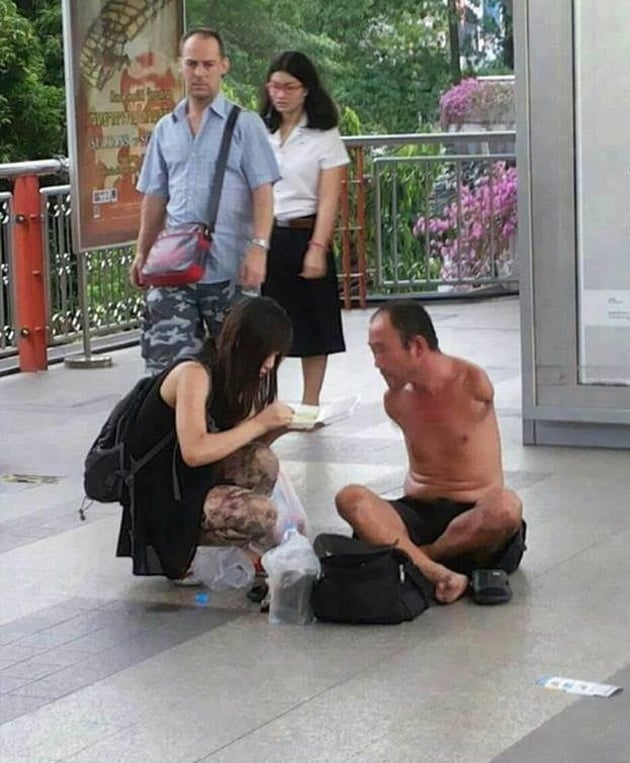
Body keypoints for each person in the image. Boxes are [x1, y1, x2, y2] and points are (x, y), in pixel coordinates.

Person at [335, 301, 526, 605]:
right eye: (373, 352)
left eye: (382, 350)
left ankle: (421, 559)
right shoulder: (395, 400)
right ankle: (439, 572)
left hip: (474, 516)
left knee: (505, 507)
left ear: (417, 346)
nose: (377, 363)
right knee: (351, 499)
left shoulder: (472, 383)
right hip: (418, 512)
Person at [131, 28, 280, 374]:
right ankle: (177, 429)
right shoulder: (166, 128)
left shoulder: (245, 125)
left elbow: (263, 191)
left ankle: (241, 429)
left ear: (223, 66)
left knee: (241, 369)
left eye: (208, 64)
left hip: (231, 269)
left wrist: (259, 247)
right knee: (167, 371)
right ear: (180, 66)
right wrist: (143, 252)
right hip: (174, 271)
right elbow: (154, 196)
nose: (199, 73)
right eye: (192, 64)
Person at [116, 297, 297, 581]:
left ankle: (231, 551)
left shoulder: (234, 375)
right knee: (263, 513)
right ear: (244, 345)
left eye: (278, 356)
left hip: (195, 480)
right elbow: (194, 450)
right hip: (165, 496)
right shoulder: (194, 374)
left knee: (262, 460)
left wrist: (281, 426)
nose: (271, 365)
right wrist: (260, 422)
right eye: (267, 354)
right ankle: (184, 552)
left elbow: (239, 448)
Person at [259, 51, 349, 406]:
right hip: (267, 236)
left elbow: (329, 197)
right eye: (274, 86)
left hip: (304, 231)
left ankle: (311, 402)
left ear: (306, 89)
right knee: (265, 326)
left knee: (313, 325)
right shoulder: (259, 131)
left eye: (289, 87)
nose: (280, 94)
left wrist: (318, 246)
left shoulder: (323, 134)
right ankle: (267, 401)